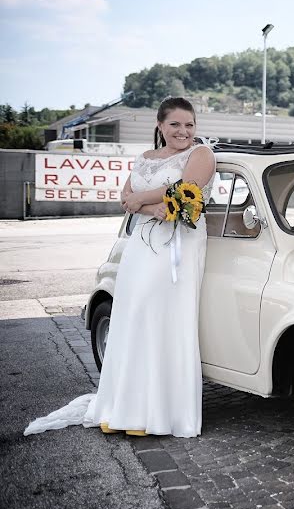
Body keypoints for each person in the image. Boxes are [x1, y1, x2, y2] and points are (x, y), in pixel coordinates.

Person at [25, 97, 215, 438]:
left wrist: (142, 199)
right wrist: (146, 207)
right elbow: (125, 199)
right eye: (175, 124)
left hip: (177, 247)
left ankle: (160, 412)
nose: (183, 131)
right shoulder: (144, 159)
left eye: (189, 124)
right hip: (140, 246)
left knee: (161, 319)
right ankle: (125, 406)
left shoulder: (201, 154)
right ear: (160, 126)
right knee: (131, 317)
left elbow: (186, 190)